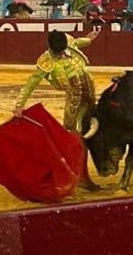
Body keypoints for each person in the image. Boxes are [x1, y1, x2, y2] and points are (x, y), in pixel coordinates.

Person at [12, 28, 103, 191]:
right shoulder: (46, 62)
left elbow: (76, 43)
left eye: (63, 50)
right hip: (75, 103)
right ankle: (77, 177)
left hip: (90, 96)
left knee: (92, 135)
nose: (62, 54)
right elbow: (30, 84)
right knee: (75, 139)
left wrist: (89, 40)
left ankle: (83, 175)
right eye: (59, 52)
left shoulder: (67, 41)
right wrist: (19, 105)